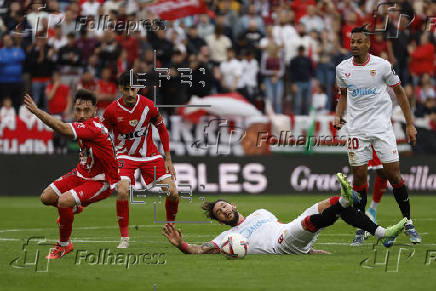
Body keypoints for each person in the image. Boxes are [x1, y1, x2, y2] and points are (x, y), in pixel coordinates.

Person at [162, 173, 407, 255]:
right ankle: (344, 200)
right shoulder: (227, 238)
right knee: (313, 220)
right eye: (219, 212)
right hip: (281, 245)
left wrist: (307, 249)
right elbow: (199, 249)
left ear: (234, 205)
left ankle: (382, 232)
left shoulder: (260, 212)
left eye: (224, 206)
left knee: (327, 205)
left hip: (288, 231)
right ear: (219, 220)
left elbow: (277, 225)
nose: (224, 210)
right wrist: (181, 244)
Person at [335, 26, 422, 246]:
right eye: (352, 41)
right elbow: (343, 95)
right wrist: (338, 116)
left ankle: (408, 221)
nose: (354, 45)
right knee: (359, 180)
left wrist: (410, 124)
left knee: (394, 175)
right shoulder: (342, 68)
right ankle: (362, 227)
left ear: (367, 44)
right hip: (356, 130)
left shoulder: (382, 66)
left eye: (358, 41)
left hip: (382, 129)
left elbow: (400, 93)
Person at [23, 89, 120, 259]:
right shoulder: (85, 125)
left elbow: (61, 128)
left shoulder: (93, 128)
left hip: (101, 181)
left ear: (95, 110)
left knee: (64, 201)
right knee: (46, 198)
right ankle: (73, 208)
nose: (81, 114)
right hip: (81, 174)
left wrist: (37, 111)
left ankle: (63, 245)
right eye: (78, 110)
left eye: (86, 110)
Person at [102, 71, 179, 249]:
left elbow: (162, 130)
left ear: (139, 88)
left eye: (133, 89)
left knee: (173, 193)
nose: (130, 93)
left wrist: (168, 158)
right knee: (122, 190)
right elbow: (102, 134)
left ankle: (171, 227)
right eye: (126, 89)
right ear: (121, 89)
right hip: (124, 155)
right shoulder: (111, 110)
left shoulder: (148, 106)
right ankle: (125, 238)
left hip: (150, 156)